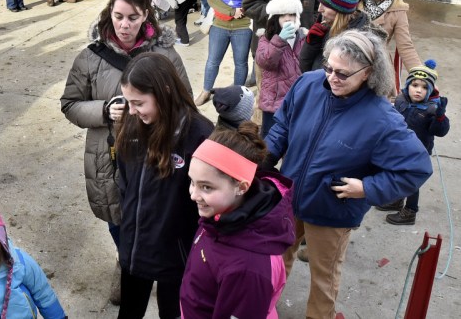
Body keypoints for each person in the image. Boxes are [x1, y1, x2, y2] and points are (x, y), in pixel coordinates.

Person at [264, 29, 432, 319]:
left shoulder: (382, 119)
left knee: (323, 280)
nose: (331, 77)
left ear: (367, 73)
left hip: (332, 212)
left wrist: (367, 188)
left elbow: (416, 167)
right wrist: (265, 160)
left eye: (342, 74)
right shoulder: (307, 84)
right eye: (328, 67)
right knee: (274, 260)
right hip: (289, 197)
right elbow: (282, 125)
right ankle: (262, 307)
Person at [60, 0, 190, 306]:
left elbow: (185, 105)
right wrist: (103, 110)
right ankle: (126, 263)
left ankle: (157, 267)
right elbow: (70, 104)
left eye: (133, 17)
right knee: (119, 220)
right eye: (118, 16)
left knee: (157, 215)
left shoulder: (165, 56)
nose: (125, 25)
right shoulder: (90, 58)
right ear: (109, 14)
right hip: (109, 157)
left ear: (146, 15)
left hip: (156, 156)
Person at [115, 52, 213, 319]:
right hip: (136, 249)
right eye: (128, 102)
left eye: (138, 103)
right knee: (129, 312)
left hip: (177, 255)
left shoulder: (200, 134)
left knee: (172, 313)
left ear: (164, 92)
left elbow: (210, 200)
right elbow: (124, 178)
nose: (131, 111)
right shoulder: (132, 124)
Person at [181, 122, 294, 318]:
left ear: (241, 187)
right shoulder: (221, 214)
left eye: (206, 187)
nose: (193, 195)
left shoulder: (249, 270)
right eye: (192, 182)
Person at [378, 60, 450, 225]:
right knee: (397, 175)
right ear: (408, 85)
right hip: (398, 148)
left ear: (431, 90)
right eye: (415, 85)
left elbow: (439, 132)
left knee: (411, 182)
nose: (418, 90)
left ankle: (410, 211)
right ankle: (397, 200)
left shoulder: (431, 109)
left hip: (418, 152)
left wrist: (440, 118)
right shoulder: (401, 100)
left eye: (425, 87)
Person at [194, 0, 253, 106]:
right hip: (220, 25)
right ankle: (206, 91)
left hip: (243, 26)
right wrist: (231, 11)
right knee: (213, 60)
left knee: (241, 63)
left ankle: (239, 95)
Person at [357, 0, 422, 80]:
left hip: (377, 66)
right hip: (351, 60)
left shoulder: (399, 9)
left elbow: (405, 46)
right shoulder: (356, 1)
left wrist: (421, 76)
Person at [256, 0, 305, 138]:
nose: (288, 18)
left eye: (292, 14)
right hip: (274, 103)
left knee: (292, 143)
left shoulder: (303, 38)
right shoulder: (266, 39)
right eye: (283, 15)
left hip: (296, 102)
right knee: (269, 144)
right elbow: (265, 61)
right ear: (275, 18)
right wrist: (280, 40)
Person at [299, 0, 371, 73]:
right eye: (320, 2)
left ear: (341, 10)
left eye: (326, 5)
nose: (319, 9)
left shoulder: (357, 44)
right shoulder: (325, 23)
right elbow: (304, 70)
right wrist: (311, 44)